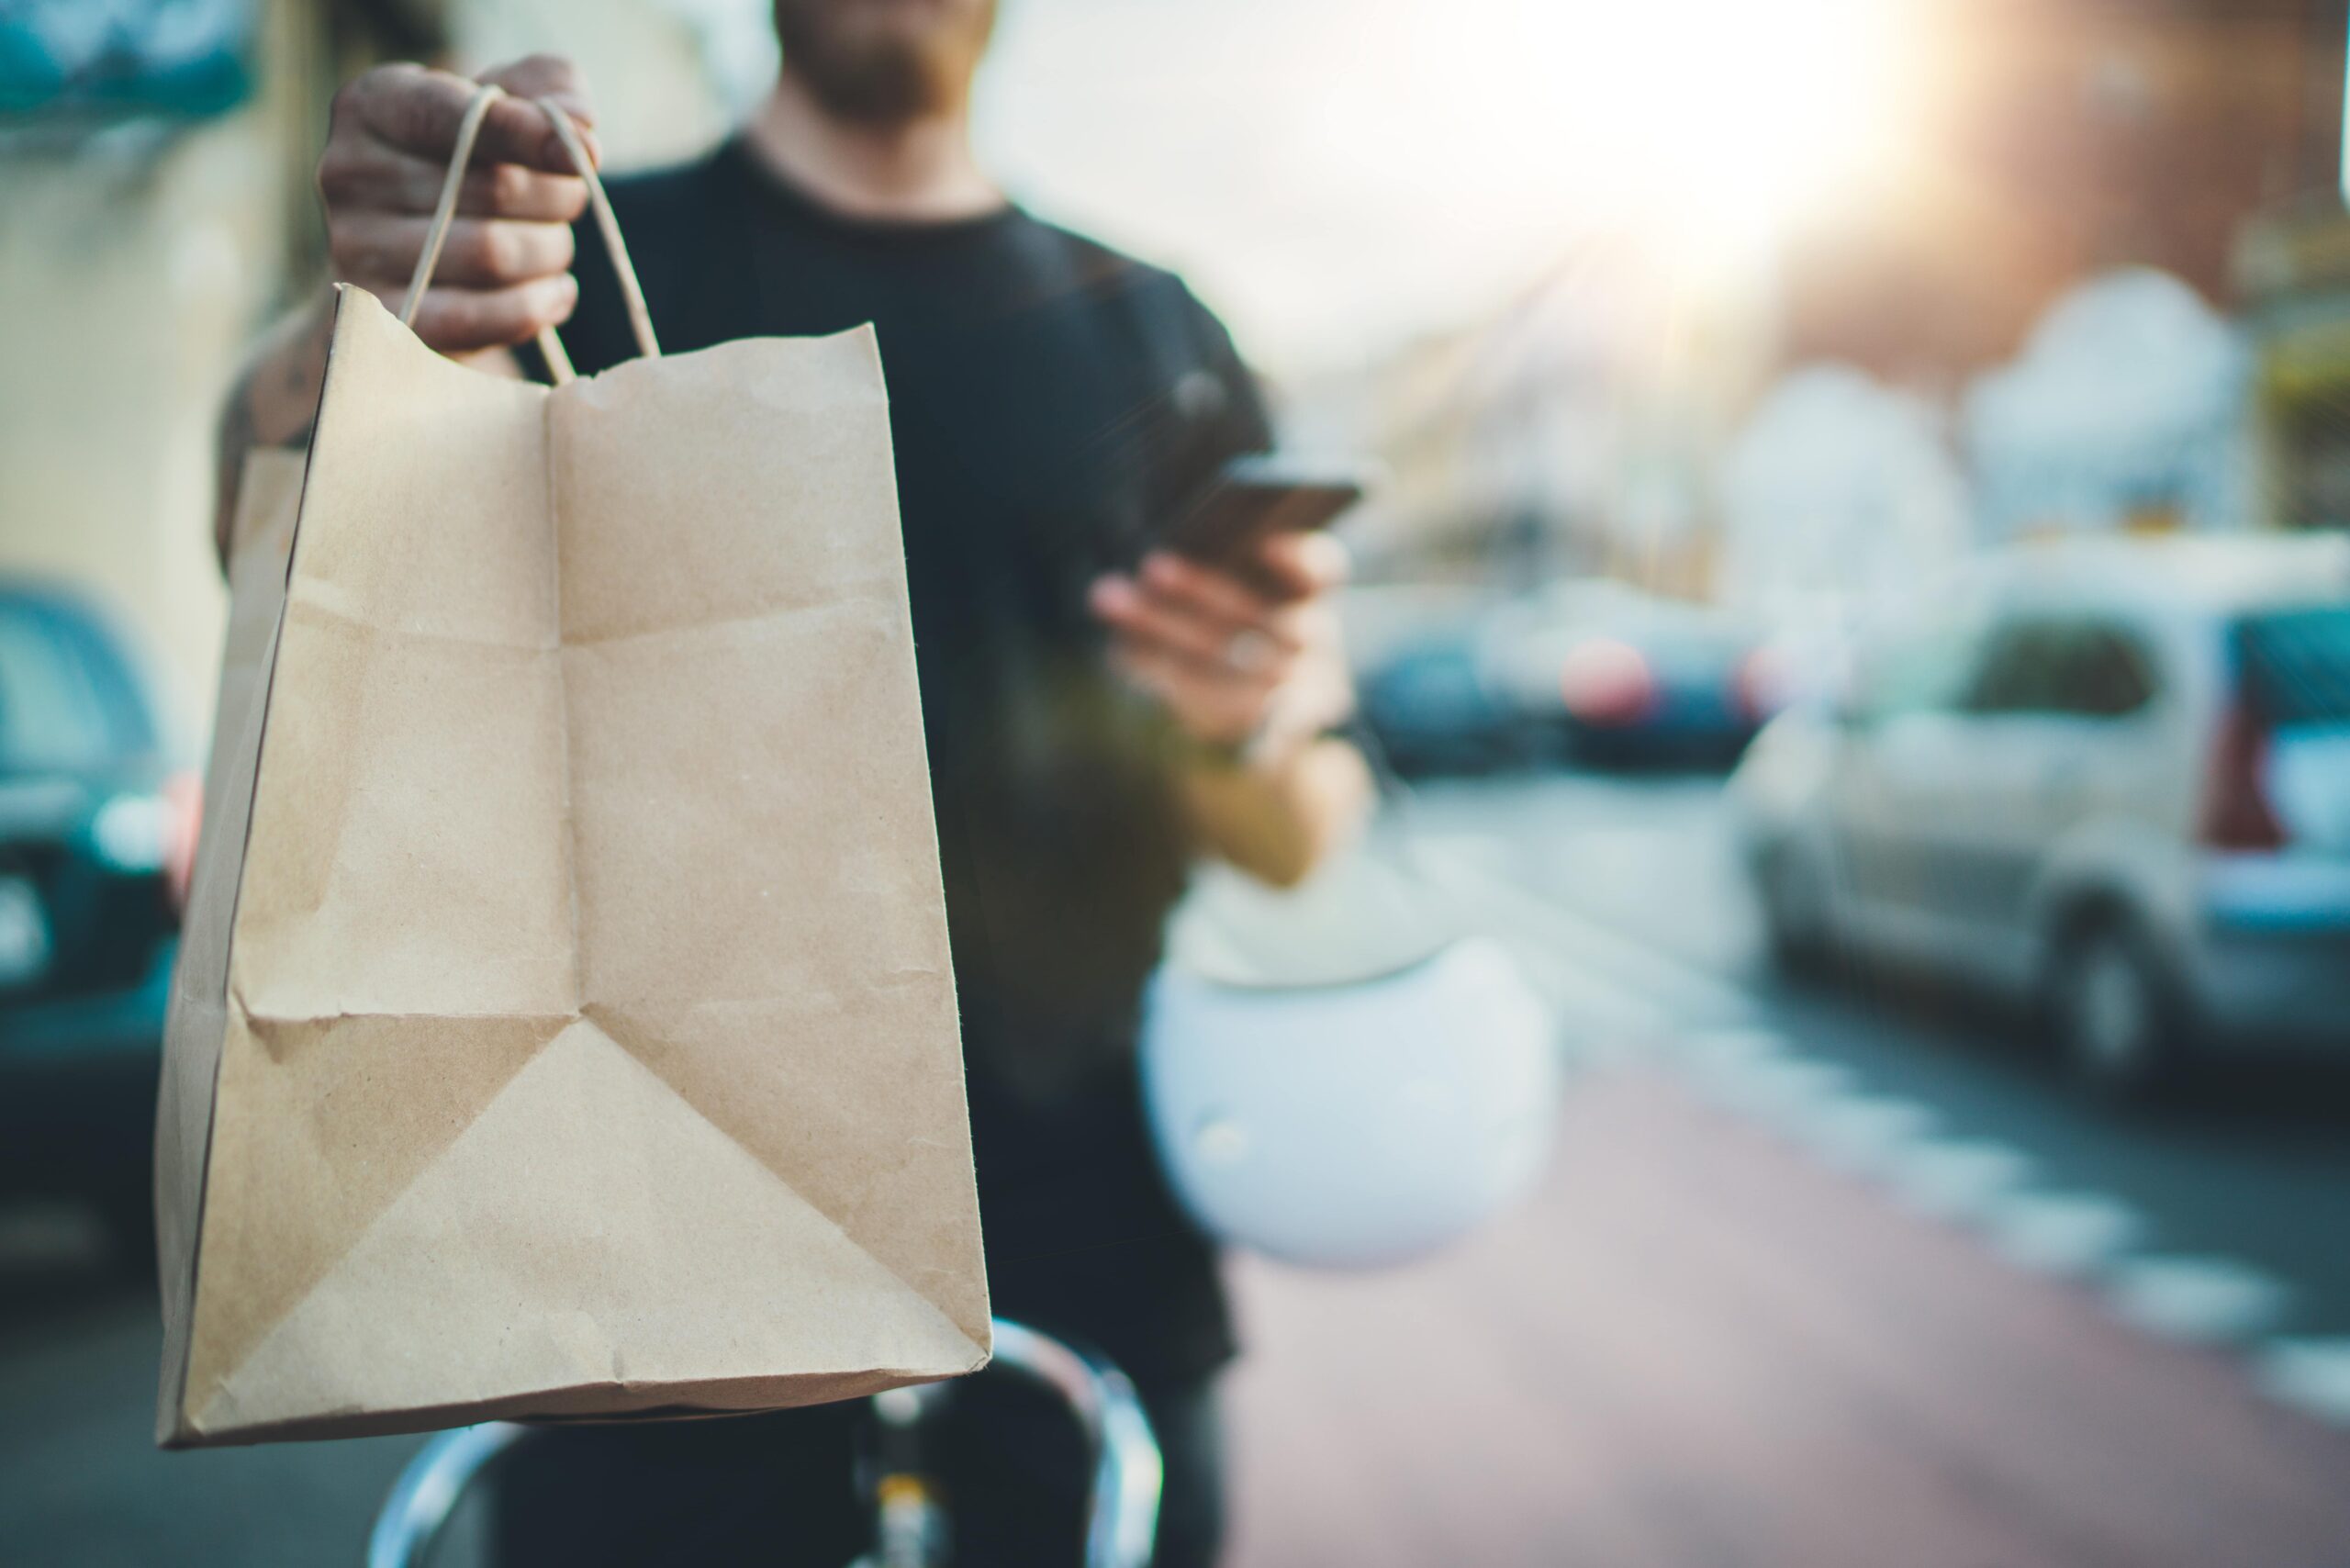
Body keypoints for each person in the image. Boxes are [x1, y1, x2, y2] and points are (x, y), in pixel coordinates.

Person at [211, 3, 1373, 1563]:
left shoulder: (1159, 336)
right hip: (645, 1278)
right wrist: (351, 331)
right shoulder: (583, 254)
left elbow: (1303, 837)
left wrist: (1248, 729)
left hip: (1087, 1257)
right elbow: (260, 513)